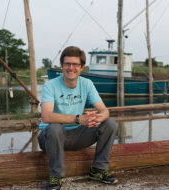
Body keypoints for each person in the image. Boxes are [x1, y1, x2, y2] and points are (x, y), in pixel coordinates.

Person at [37, 46, 118, 190]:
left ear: (82, 67)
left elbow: (105, 111)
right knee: (55, 127)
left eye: (75, 64)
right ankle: (56, 177)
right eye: (67, 64)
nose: (71, 68)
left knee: (110, 124)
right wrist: (78, 119)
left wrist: (98, 118)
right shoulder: (50, 85)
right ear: (62, 65)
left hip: (77, 135)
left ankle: (98, 170)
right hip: (50, 137)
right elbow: (46, 116)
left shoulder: (87, 84)